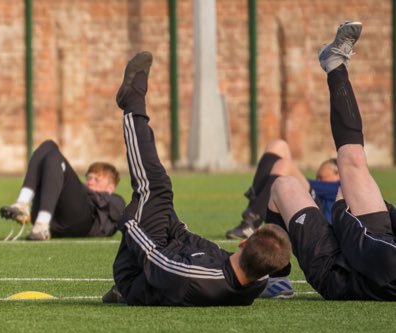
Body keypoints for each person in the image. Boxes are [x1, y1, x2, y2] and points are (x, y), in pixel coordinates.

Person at [102, 51, 290, 307]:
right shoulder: (255, 279)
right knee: (159, 198)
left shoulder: (195, 277)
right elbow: (205, 249)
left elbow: (153, 258)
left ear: (244, 242)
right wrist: (174, 224)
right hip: (171, 255)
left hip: (137, 274)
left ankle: (132, 102)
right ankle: (135, 109)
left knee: (154, 187)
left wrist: (130, 223)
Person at [263, 21, 396, 301]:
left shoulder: (388, 258)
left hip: (334, 269)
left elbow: (349, 231)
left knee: (284, 186)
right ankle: (335, 62)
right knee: (353, 159)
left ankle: (275, 277)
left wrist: (344, 201)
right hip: (374, 239)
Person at [0, 141, 125, 240]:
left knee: (54, 157)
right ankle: (23, 204)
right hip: (53, 222)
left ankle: (42, 225)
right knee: (48, 145)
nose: (90, 181)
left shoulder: (116, 201)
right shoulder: (81, 193)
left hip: (81, 223)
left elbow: (113, 218)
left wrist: (70, 183)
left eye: (97, 179)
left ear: (111, 188)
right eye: (89, 177)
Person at [224, 141, 341, 239]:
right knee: (278, 145)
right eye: (317, 178)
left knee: (284, 165)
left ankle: (254, 217)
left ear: (338, 174)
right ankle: (253, 215)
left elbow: (300, 181)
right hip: (303, 210)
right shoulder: (322, 188)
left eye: (321, 177)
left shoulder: (340, 186)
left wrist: (285, 174)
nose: (318, 180)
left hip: (319, 221)